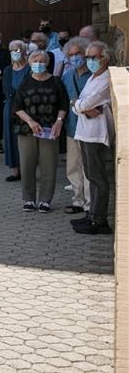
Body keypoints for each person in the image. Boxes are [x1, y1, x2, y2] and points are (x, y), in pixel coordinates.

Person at [12, 51, 69, 213]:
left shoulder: (56, 81)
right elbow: (17, 107)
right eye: (35, 60)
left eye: (42, 60)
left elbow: (64, 104)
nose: (38, 63)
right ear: (30, 63)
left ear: (47, 62)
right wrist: (30, 121)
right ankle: (29, 199)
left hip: (50, 130)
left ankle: (45, 200)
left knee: (49, 166)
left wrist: (59, 121)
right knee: (27, 165)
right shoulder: (26, 82)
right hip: (27, 130)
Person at [71, 41, 115, 234]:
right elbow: (77, 104)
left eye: (93, 57)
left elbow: (87, 102)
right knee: (90, 175)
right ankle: (92, 214)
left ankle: (99, 220)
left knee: (98, 177)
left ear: (104, 58)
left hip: (96, 134)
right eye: (87, 57)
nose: (89, 61)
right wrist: (82, 107)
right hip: (84, 131)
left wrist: (81, 106)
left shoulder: (106, 78)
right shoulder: (91, 78)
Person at [61, 37, 92, 214]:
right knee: (73, 166)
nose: (74, 58)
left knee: (88, 168)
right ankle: (78, 200)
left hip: (90, 128)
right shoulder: (67, 75)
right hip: (72, 127)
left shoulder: (95, 75)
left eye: (78, 54)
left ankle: (90, 204)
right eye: (71, 55)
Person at [2, 40, 29, 182]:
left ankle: (26, 170)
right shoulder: (7, 70)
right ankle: (15, 171)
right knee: (10, 138)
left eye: (17, 50)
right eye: (12, 50)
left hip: (27, 108)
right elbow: (6, 89)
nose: (15, 53)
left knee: (25, 139)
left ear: (24, 52)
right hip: (10, 107)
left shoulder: (30, 68)